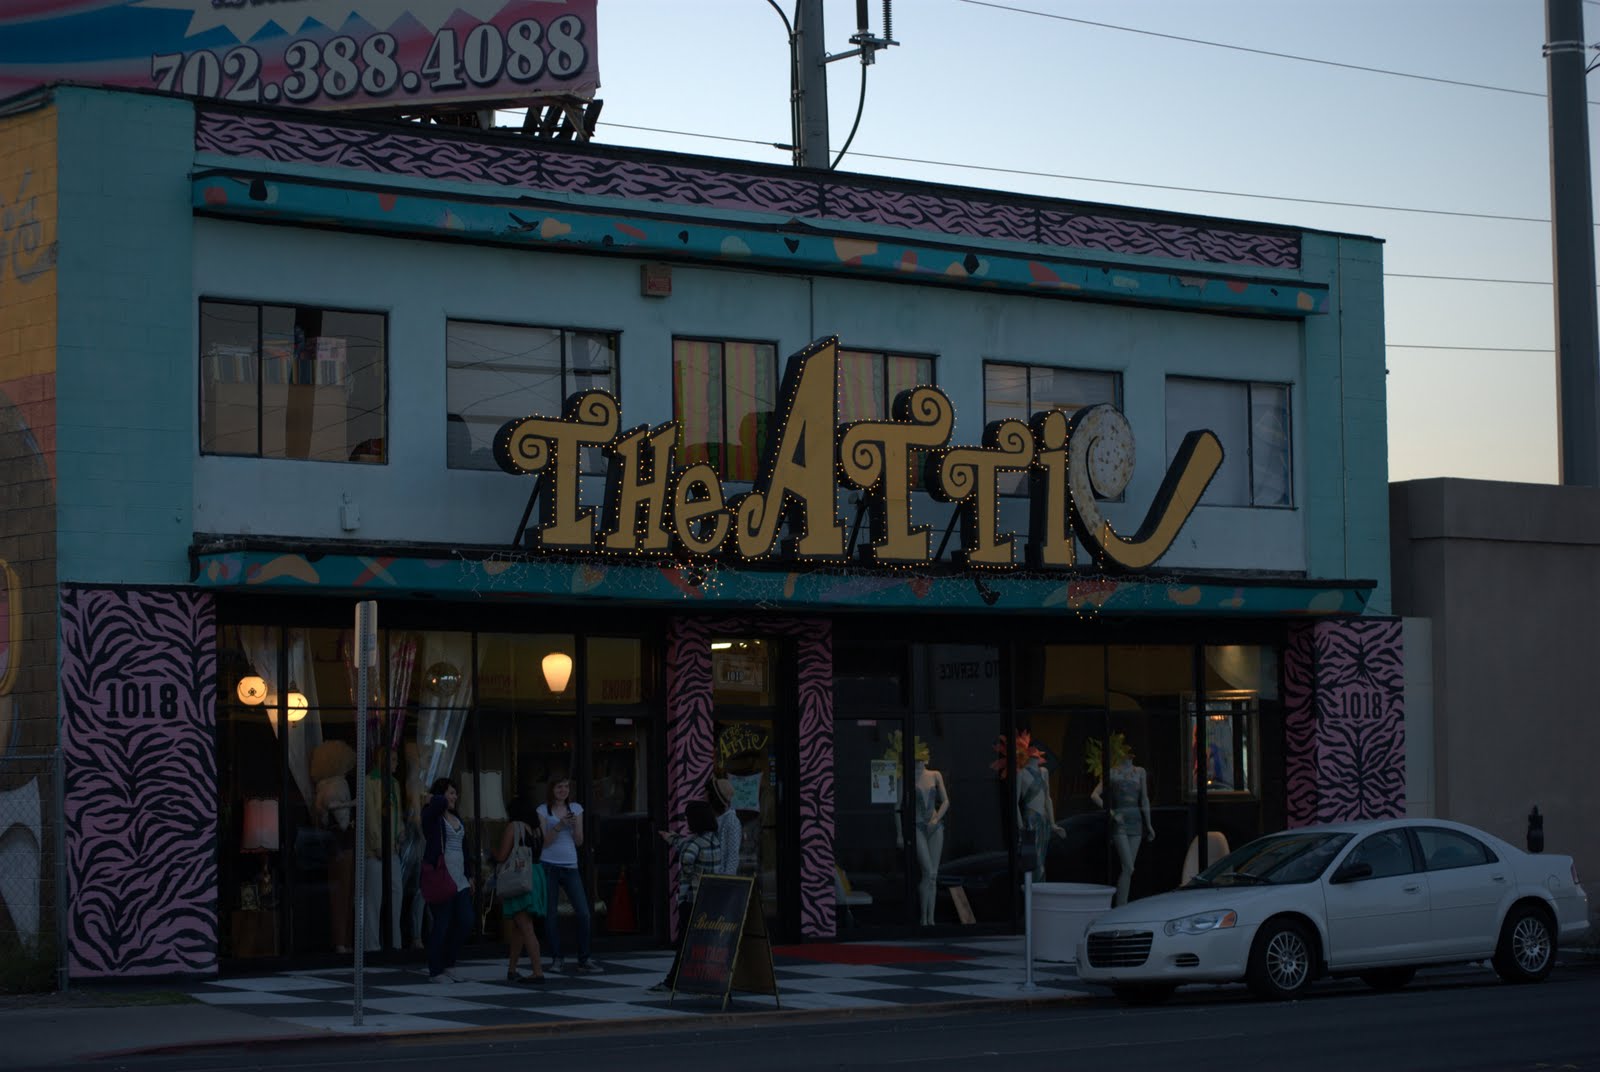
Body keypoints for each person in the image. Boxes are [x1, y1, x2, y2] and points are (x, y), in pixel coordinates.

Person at [649, 800, 721, 993]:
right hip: (710, 900)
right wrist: (672, 838)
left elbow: (688, 860)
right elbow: (686, 844)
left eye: (688, 818)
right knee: (706, 942)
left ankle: (671, 982)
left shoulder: (694, 843)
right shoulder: (714, 840)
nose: (687, 821)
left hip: (690, 899)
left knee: (684, 943)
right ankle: (708, 979)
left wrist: (690, 874)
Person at [538, 775, 602, 973]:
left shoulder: (576, 809)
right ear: (551, 789)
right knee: (550, 915)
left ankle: (585, 958)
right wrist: (559, 825)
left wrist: (573, 826)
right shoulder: (543, 810)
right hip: (548, 864)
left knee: (583, 912)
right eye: (559, 787)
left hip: (570, 864)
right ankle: (557, 958)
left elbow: (579, 842)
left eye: (566, 787)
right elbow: (544, 842)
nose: (563, 790)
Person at [421, 777, 474, 982]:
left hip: (459, 877)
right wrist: (436, 798)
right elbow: (436, 806)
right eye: (451, 793)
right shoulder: (432, 816)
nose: (454, 797)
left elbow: (465, 847)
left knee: (465, 920)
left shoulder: (456, 817)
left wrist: (469, 875)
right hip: (441, 876)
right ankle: (435, 970)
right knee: (441, 923)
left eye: (455, 793)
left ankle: (448, 962)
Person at [1091, 744, 1155, 907]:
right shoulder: (1112, 772)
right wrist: (1112, 813)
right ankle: (1121, 905)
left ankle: (1122, 904)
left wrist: (1149, 824)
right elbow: (1095, 795)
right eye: (1125, 752)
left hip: (1136, 821)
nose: (1129, 755)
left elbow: (1144, 799)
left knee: (1128, 869)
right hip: (1120, 821)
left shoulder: (1140, 772)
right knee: (1128, 867)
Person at [495, 798, 547, 983]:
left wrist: (492, 854)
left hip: (520, 877)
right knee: (519, 926)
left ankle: (537, 971)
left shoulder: (514, 827)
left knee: (526, 927)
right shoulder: (537, 829)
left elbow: (502, 855)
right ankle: (512, 969)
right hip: (535, 875)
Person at [911, 756, 949, 927]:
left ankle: (930, 919)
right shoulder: (906, 776)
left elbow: (946, 801)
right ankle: (922, 917)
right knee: (927, 871)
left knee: (933, 875)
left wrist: (937, 818)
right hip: (918, 825)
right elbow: (897, 805)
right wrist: (898, 834)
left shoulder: (935, 775)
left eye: (922, 757)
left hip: (935, 825)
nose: (920, 760)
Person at [1017, 753, 1064, 883]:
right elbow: (1014, 803)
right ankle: (1033, 896)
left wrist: (1053, 823)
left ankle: (1039, 893)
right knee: (1035, 863)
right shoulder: (1021, 773)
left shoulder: (1044, 772)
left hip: (1044, 821)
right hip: (1030, 821)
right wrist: (1021, 828)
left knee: (1042, 862)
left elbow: (1047, 798)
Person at [708, 775, 741, 876]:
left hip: (721, 879)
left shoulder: (731, 821)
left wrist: (726, 882)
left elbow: (733, 855)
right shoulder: (713, 817)